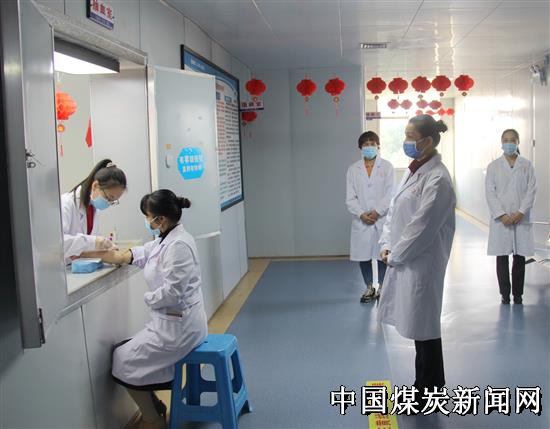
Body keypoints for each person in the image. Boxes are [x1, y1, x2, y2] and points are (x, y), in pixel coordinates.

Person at [102, 190, 208, 429]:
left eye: (147, 216)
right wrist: (123, 255)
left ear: (160, 219)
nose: (146, 220)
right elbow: (146, 252)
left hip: (180, 328)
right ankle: (155, 406)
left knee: (123, 359)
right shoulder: (167, 238)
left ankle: (152, 418)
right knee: (124, 350)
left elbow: (172, 293)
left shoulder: (179, 246)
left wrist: (148, 299)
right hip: (171, 322)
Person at [377, 115, 456, 407]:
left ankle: (430, 391)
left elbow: (422, 227)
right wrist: (386, 245)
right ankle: (422, 387)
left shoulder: (439, 179)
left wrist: (395, 255)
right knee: (419, 329)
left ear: (428, 141)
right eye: (406, 135)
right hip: (406, 259)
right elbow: (395, 210)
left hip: (423, 263)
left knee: (426, 329)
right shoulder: (415, 169)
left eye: (411, 136)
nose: (406, 141)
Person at [485, 129, 537, 305]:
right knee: (502, 258)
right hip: (502, 220)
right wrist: (501, 215)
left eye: (512, 140)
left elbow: (531, 191)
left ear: (517, 142)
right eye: (506, 140)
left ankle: (518, 295)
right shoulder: (494, 167)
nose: (509, 143)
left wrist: (521, 212)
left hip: (521, 218)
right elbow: (490, 193)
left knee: (519, 258)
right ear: (501, 143)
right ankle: (505, 295)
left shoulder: (527, 165)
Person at [346, 131, 394, 303]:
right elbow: (350, 197)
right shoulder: (353, 170)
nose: (369, 146)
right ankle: (369, 287)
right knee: (363, 256)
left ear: (378, 145)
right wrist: (361, 214)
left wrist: (377, 212)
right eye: (365, 144)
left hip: (381, 218)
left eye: (372, 143)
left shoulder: (387, 167)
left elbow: (390, 193)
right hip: (362, 220)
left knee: (382, 254)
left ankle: (382, 287)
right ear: (360, 147)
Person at [61, 159, 126, 261]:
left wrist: (105, 249)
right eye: (108, 198)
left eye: (112, 201)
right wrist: (94, 242)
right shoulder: (66, 203)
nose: (108, 203)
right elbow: (57, 244)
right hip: (62, 267)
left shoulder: (93, 209)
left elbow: (87, 247)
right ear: (95, 186)